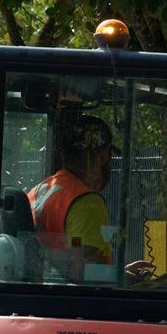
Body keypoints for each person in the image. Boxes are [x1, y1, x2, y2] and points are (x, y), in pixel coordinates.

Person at [27, 115, 115, 268]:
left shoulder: (39, 191)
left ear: (63, 155)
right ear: (102, 156)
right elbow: (84, 273)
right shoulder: (87, 202)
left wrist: (120, 273)